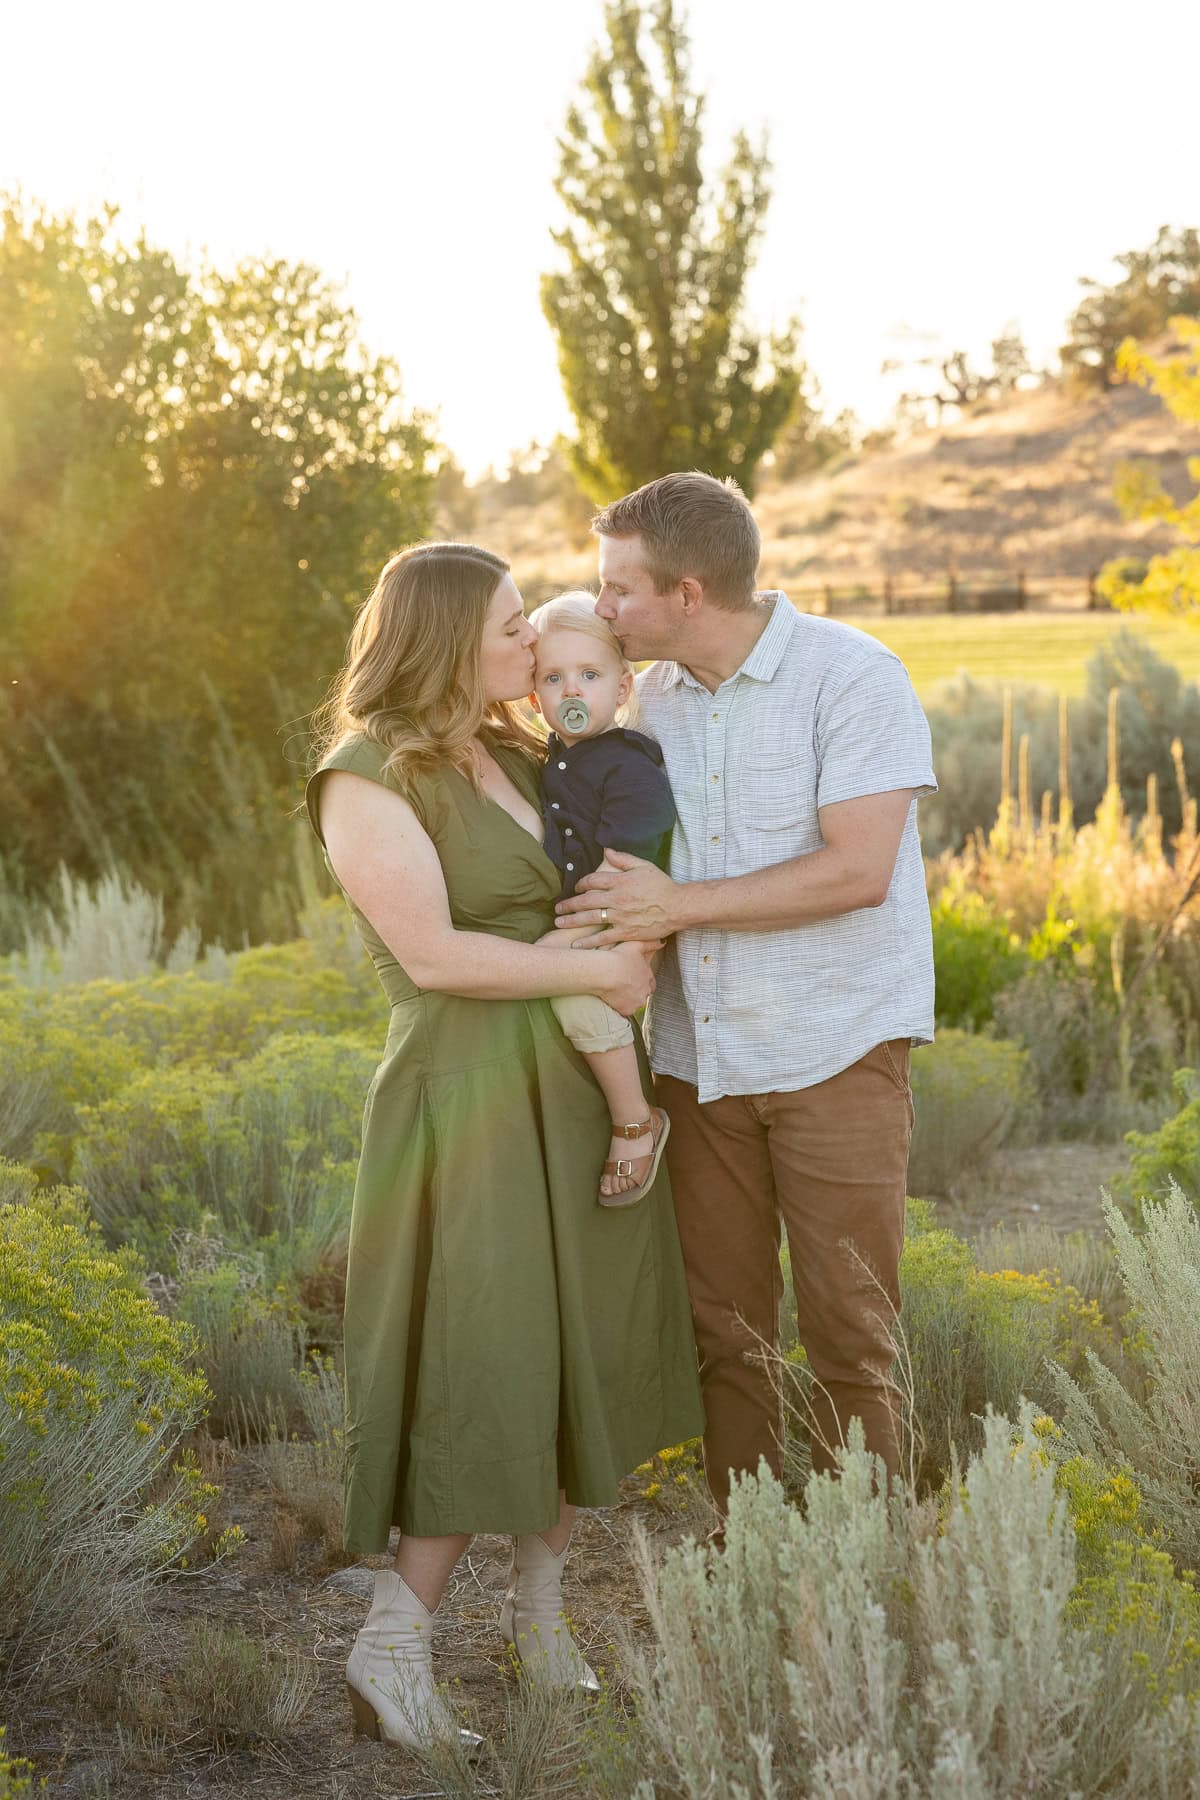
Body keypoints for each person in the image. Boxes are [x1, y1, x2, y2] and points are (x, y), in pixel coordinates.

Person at [305, 542, 704, 1749]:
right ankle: (391, 1648)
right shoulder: (367, 775)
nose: (535, 643)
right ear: (446, 638)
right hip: (465, 1097)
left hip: (576, 1092)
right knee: (481, 1370)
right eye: (514, 623)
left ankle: (540, 1625)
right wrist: (593, 967)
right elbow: (431, 954)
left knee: (576, 1361)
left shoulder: (528, 749)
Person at [555, 472, 936, 1516]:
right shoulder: (646, 703)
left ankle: (865, 1570)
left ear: (686, 593)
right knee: (726, 1336)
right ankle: (752, 1563)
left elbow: (859, 872)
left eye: (618, 589)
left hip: (836, 1052)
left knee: (852, 1336)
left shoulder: (852, 678)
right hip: (698, 1064)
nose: (602, 610)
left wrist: (678, 906)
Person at [527, 589, 676, 1204]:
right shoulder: (556, 759)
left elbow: (632, 858)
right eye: (553, 677)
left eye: (589, 675)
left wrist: (598, 937)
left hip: (622, 914)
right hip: (593, 916)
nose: (571, 691)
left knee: (564, 990)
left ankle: (634, 1120)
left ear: (621, 688)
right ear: (534, 696)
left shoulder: (627, 763)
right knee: (543, 980)